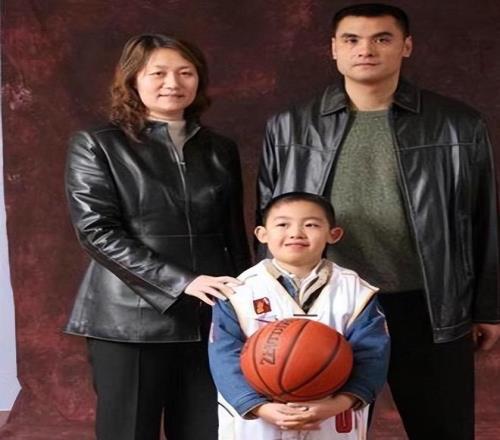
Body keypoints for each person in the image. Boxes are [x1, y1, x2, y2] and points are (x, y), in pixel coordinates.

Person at [256, 3, 500, 439]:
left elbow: (482, 220)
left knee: (444, 428)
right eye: (352, 39)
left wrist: (487, 307)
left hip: (427, 303)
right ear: (334, 48)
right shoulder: (289, 126)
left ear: (406, 46)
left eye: (382, 39)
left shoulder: (457, 124)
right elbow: (269, 222)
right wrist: (267, 306)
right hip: (327, 307)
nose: (365, 50)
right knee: (322, 433)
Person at [64, 33, 250, 440]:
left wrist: (248, 303)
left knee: (210, 431)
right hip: (128, 320)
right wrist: (183, 282)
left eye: (185, 72)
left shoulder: (219, 148)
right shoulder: (98, 144)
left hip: (210, 318)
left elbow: (233, 235)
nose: (173, 83)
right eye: (158, 73)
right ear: (133, 79)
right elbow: (97, 232)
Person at [209, 192, 390, 439]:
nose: (296, 233)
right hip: (260, 417)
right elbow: (224, 356)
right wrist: (259, 407)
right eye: (283, 224)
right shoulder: (237, 291)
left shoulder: (356, 291)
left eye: (311, 225)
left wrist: (338, 404)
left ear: (333, 234)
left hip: (331, 411)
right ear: (262, 234)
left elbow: (373, 355)